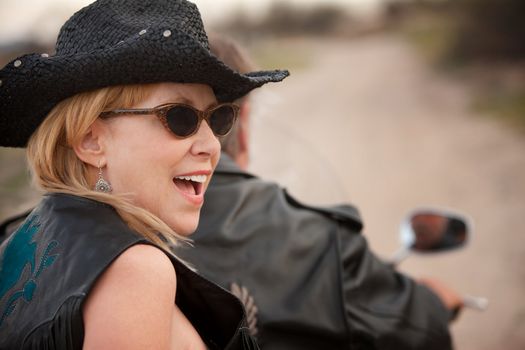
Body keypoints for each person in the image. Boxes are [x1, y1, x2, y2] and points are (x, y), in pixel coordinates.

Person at [0, 1, 288, 349]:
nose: (211, 145)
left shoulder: (17, 240)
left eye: (218, 118)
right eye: (180, 117)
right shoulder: (136, 272)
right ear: (90, 140)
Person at [173, 35, 463, 349]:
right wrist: (435, 302)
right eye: (180, 118)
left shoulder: (121, 227)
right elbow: (420, 333)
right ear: (242, 124)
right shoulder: (321, 240)